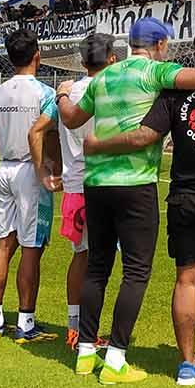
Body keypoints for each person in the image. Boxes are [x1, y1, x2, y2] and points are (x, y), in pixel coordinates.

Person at [54, 17, 195, 386]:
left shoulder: (158, 90)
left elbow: (131, 129)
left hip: (171, 195)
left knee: (179, 278)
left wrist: (65, 99)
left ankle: (183, 365)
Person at [0, 30, 60, 343]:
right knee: (31, 246)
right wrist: (50, 169)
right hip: (31, 171)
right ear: (37, 55)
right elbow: (48, 136)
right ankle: (26, 323)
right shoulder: (45, 93)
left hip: (4, 168)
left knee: (4, 243)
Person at [56, 33, 116, 351]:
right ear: (112, 59)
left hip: (74, 186)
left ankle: (76, 327)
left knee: (82, 256)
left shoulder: (70, 92)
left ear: (81, 62)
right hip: (102, 184)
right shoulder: (110, 91)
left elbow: (45, 130)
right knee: (98, 261)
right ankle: (84, 334)